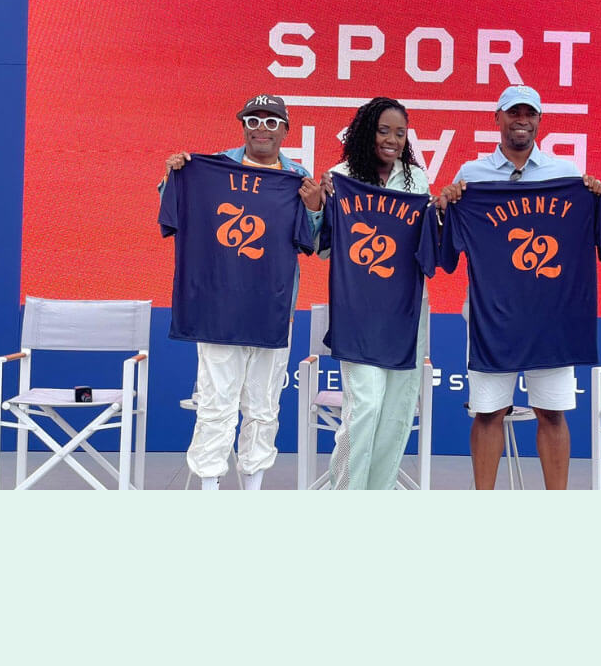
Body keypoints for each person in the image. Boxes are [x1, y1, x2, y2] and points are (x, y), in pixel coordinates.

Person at [439, 85, 601, 491]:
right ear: (496, 118)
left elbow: (596, 242)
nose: (521, 120)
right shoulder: (471, 176)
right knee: (488, 413)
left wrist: (596, 198)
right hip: (490, 319)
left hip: (552, 319)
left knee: (551, 413)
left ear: (539, 121)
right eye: (513, 112)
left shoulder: (568, 176)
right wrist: (447, 206)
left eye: (529, 113)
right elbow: (447, 252)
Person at [162, 93, 322, 490]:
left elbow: (313, 243)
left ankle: (252, 491)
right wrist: (174, 177)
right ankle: (210, 489)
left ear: (285, 130)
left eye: (271, 122)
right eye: (254, 121)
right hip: (216, 309)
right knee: (215, 403)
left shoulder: (298, 178)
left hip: (273, 309)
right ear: (243, 126)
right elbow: (174, 210)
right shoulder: (208, 169)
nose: (262, 129)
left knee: (264, 405)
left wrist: (316, 207)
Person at [319, 96, 432, 489]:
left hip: (407, 311)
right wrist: (322, 203)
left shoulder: (416, 180)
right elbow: (325, 248)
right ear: (367, 132)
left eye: (400, 132)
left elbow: (425, 242)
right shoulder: (340, 175)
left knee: (398, 411)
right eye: (384, 130)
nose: (393, 139)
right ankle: (347, 496)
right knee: (365, 406)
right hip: (358, 310)